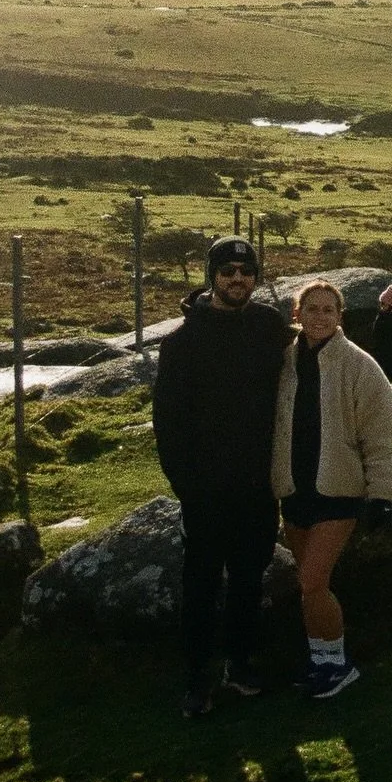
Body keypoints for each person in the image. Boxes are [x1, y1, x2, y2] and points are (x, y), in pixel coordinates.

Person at [152, 236, 290, 718]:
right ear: (211, 275)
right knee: (202, 582)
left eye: (246, 272)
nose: (237, 280)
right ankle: (195, 679)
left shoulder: (269, 328)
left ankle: (241, 664)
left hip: (258, 484)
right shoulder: (182, 343)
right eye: (228, 271)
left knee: (250, 577)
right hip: (204, 488)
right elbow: (167, 422)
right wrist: (186, 486)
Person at [273, 279, 392, 700]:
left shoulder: (359, 366)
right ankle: (320, 663)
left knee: (313, 581)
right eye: (312, 309)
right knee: (308, 585)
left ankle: (338, 666)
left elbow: (380, 435)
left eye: (329, 310)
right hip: (295, 490)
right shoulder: (286, 362)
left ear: (340, 316)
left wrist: (382, 494)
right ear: (298, 314)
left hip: (338, 491)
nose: (321, 316)